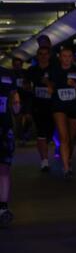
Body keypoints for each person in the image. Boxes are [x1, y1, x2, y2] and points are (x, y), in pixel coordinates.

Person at [48, 44, 76, 179]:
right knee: (64, 137)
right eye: (64, 56)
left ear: (72, 58)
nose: (67, 59)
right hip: (59, 107)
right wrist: (50, 87)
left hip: (74, 107)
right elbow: (49, 83)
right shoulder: (54, 70)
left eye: (69, 56)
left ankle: (68, 159)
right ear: (60, 58)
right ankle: (66, 168)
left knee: (71, 138)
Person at [25, 35, 56, 172]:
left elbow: (58, 86)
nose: (43, 57)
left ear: (49, 55)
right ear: (37, 56)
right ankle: (44, 161)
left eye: (45, 54)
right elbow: (26, 86)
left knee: (50, 133)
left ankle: (54, 146)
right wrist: (28, 86)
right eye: (40, 54)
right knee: (41, 133)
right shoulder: (32, 71)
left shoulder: (55, 69)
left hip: (53, 106)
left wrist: (49, 84)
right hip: (38, 106)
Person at [0, 63, 21, 226]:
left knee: (4, 168)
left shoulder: (8, 74)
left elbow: (14, 96)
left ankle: (3, 207)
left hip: (4, 127)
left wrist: (16, 105)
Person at [10, 54, 32, 143]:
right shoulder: (10, 74)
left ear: (22, 65)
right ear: (13, 65)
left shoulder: (26, 73)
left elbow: (30, 85)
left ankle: (26, 132)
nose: (17, 66)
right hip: (15, 98)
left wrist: (28, 86)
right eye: (15, 65)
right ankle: (21, 135)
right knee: (18, 118)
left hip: (26, 98)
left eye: (19, 65)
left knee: (28, 117)